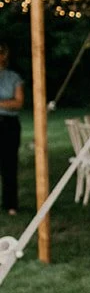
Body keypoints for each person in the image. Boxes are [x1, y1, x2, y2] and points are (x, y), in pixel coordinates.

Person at [0, 41, 26, 215]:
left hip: (9, 124)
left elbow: (18, 103)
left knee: (9, 163)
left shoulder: (13, 77)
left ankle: (10, 204)